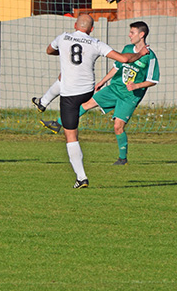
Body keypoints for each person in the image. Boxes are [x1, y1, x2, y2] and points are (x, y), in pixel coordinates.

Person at [41, 14, 149, 188]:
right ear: (92, 29)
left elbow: (49, 50)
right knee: (84, 103)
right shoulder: (96, 43)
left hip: (71, 94)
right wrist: (140, 54)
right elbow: (124, 59)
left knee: (71, 136)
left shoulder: (62, 38)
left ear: (75, 25)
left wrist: (63, 51)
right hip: (88, 91)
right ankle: (48, 111)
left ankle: (81, 177)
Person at [76, 21, 158, 165]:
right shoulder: (127, 48)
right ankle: (57, 124)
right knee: (87, 104)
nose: (129, 35)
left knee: (118, 126)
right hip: (114, 88)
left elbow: (153, 80)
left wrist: (137, 85)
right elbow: (116, 67)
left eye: (132, 32)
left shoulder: (150, 57)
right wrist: (102, 81)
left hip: (129, 96)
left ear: (141, 34)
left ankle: (122, 158)